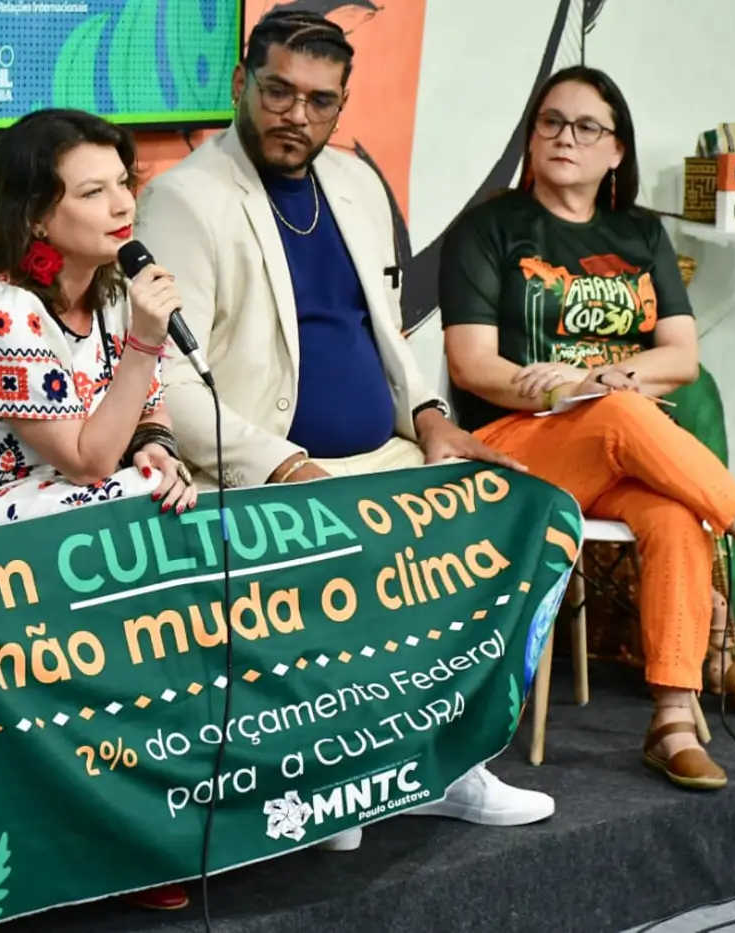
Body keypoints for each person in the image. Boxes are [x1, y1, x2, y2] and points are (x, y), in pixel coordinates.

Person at [132, 9, 556, 850]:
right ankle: (341, 772)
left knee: (506, 518)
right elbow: (167, 378)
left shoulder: (356, 184)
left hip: (385, 451)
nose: (297, 115)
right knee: (365, 549)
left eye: (319, 101)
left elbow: (384, 332)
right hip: (268, 469)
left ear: (341, 105)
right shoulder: (185, 198)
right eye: (278, 91)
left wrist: (430, 418)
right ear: (241, 85)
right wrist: (285, 465)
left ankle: (445, 760)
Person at [439, 64, 735, 791]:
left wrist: (609, 378)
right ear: (532, 137)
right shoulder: (490, 228)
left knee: (675, 513)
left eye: (586, 127)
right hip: (513, 447)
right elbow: (472, 365)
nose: (566, 138)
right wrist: (575, 386)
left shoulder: (639, 232)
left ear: (616, 149)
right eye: (551, 122)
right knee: (625, 411)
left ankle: (672, 720)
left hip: (619, 445)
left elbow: (681, 358)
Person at [0, 108, 197, 910]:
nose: (122, 203)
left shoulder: (111, 293)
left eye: (124, 182)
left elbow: (140, 411)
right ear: (37, 215)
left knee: (166, 505)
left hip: (54, 513)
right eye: (92, 191)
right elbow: (87, 457)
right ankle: (113, 837)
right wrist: (145, 347)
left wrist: (158, 445)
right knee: (130, 507)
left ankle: (138, 826)